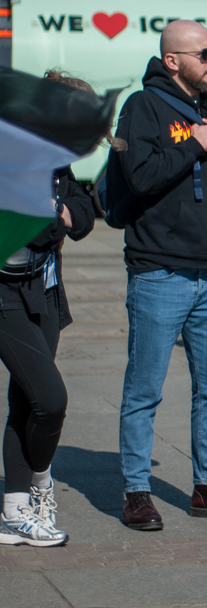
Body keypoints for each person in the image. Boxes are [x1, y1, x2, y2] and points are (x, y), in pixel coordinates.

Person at [115, 20, 207, 531]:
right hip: (159, 272)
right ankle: (136, 491)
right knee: (145, 389)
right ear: (173, 60)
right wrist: (196, 144)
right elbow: (141, 176)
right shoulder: (143, 107)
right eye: (204, 52)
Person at [0, 71, 96, 547]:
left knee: (26, 401)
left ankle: (15, 512)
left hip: (45, 288)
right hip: (6, 291)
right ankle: (39, 484)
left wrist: (62, 213)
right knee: (50, 399)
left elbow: (81, 211)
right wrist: (54, 218)